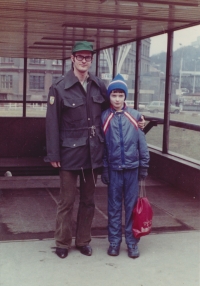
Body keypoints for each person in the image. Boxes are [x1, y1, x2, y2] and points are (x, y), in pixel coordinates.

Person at [45, 41, 108, 258]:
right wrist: (53, 153)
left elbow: (112, 111)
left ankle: (83, 241)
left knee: (89, 200)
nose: (84, 61)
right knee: (67, 201)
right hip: (69, 154)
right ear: (72, 58)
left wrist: (135, 120)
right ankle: (62, 243)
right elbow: (52, 123)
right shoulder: (59, 87)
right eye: (79, 57)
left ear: (91, 60)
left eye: (87, 57)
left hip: (93, 154)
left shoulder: (98, 85)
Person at [101, 74, 150, 259]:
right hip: (114, 170)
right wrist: (105, 168)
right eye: (114, 95)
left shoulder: (135, 116)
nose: (117, 99)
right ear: (109, 97)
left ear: (125, 97)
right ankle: (114, 242)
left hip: (132, 169)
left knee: (131, 207)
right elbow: (104, 146)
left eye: (121, 95)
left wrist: (143, 166)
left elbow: (142, 144)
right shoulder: (104, 117)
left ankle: (132, 243)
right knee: (113, 208)